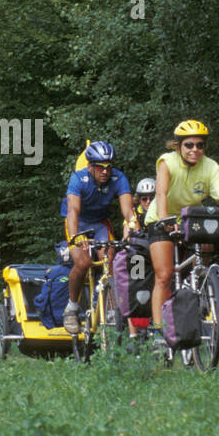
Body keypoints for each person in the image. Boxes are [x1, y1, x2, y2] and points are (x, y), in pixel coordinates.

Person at [144, 120, 219, 329]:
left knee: (207, 246)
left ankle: (198, 285)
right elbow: (161, 193)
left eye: (200, 145)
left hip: (192, 219)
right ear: (179, 146)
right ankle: (160, 330)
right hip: (162, 218)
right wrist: (164, 221)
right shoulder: (167, 162)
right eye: (189, 145)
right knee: (165, 274)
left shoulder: (210, 166)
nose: (195, 150)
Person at [60, 141, 137, 334]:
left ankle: (109, 309)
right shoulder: (78, 178)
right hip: (78, 222)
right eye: (100, 167)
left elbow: (128, 210)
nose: (105, 171)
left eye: (108, 167)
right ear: (90, 166)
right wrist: (77, 237)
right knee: (83, 262)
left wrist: (134, 226)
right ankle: (71, 307)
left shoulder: (119, 178)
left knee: (108, 259)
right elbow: (73, 211)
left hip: (100, 222)